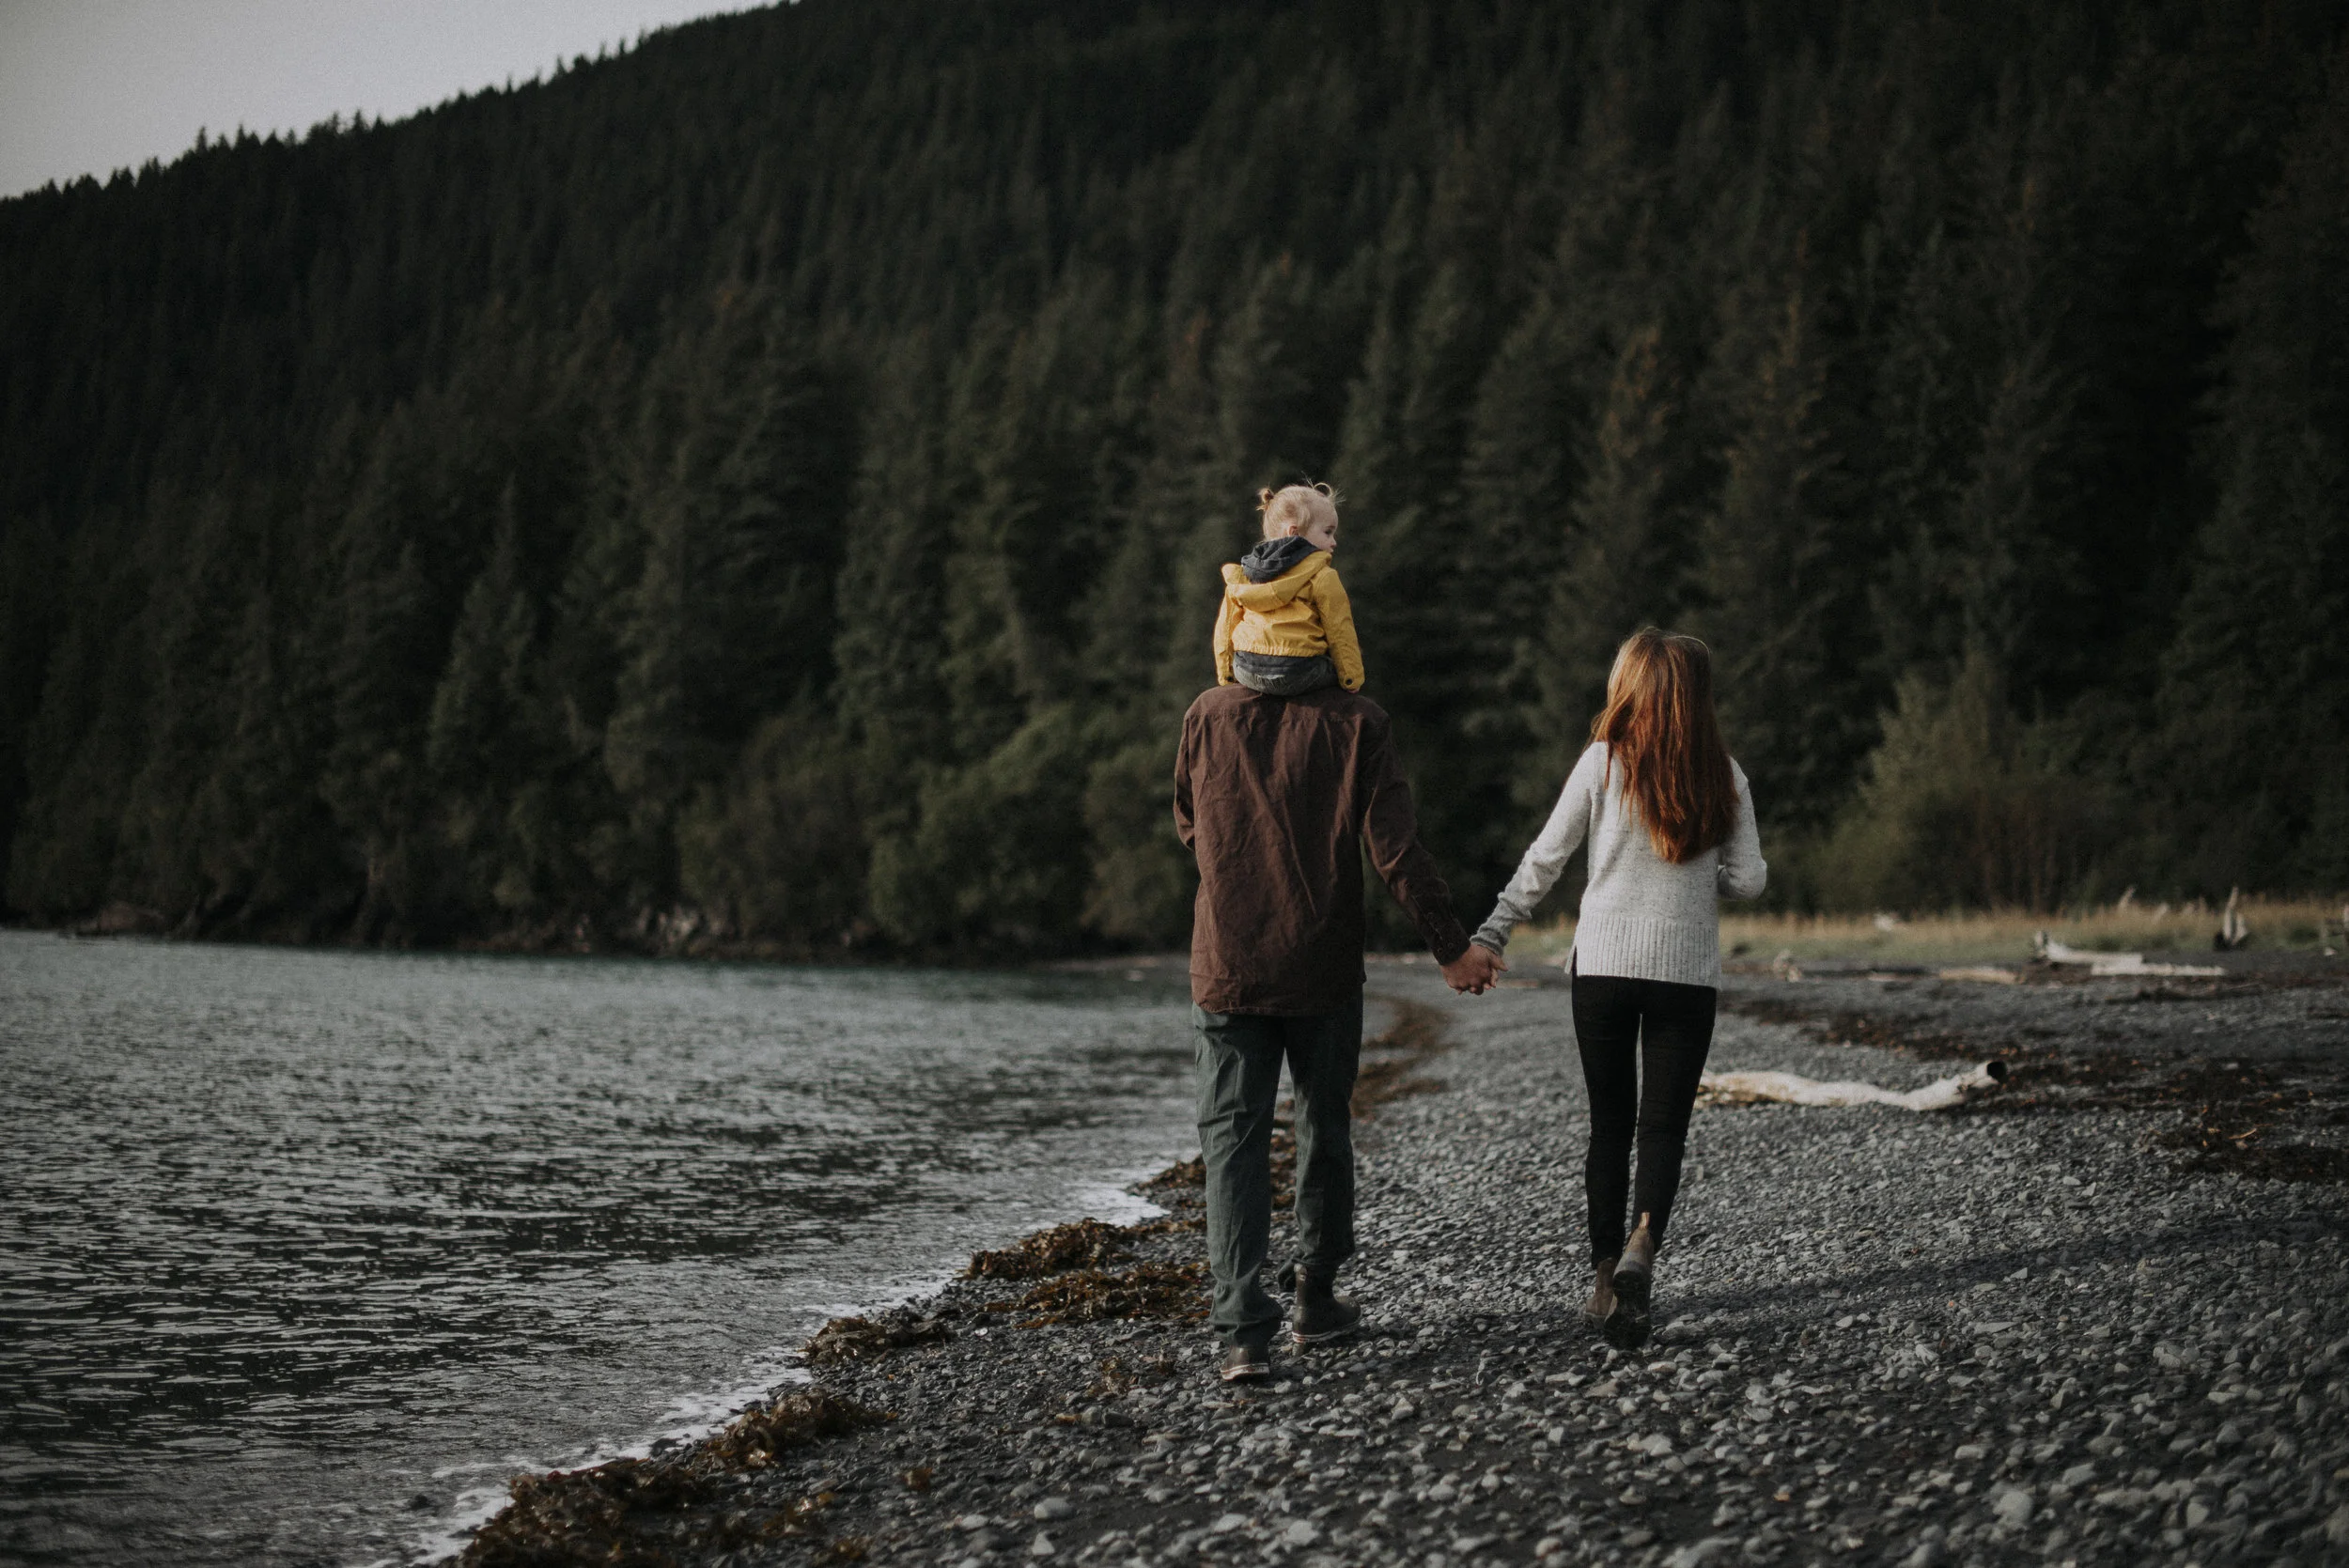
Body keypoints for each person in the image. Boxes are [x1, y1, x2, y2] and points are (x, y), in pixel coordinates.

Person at [1176, 592, 1499, 1383]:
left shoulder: (1208, 713)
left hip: (1228, 961)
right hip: (1320, 960)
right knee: (1323, 1126)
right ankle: (1315, 1298)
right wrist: (1451, 947)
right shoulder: (1358, 721)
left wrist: (1240, 875)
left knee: (1232, 1140)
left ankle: (1244, 1333)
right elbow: (1396, 850)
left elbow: (1188, 821)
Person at [1470, 629, 1766, 1350]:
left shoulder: (1602, 762)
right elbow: (1750, 878)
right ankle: (1643, 1244)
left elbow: (1545, 859)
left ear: (1628, 688)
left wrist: (1492, 933)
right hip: (1685, 972)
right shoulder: (1724, 774)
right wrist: (1698, 877)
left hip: (1603, 966)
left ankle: (1605, 1277)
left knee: (1610, 1121)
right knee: (1662, 1127)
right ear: (1697, 696)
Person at [1212, 481, 1365, 697]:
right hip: (1298, 673)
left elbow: (1226, 627)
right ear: (1294, 533)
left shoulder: (1243, 575)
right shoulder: (1323, 576)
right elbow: (1340, 630)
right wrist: (1351, 678)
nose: (1334, 542)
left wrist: (1227, 675)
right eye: (1328, 532)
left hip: (1247, 670)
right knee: (1332, 666)